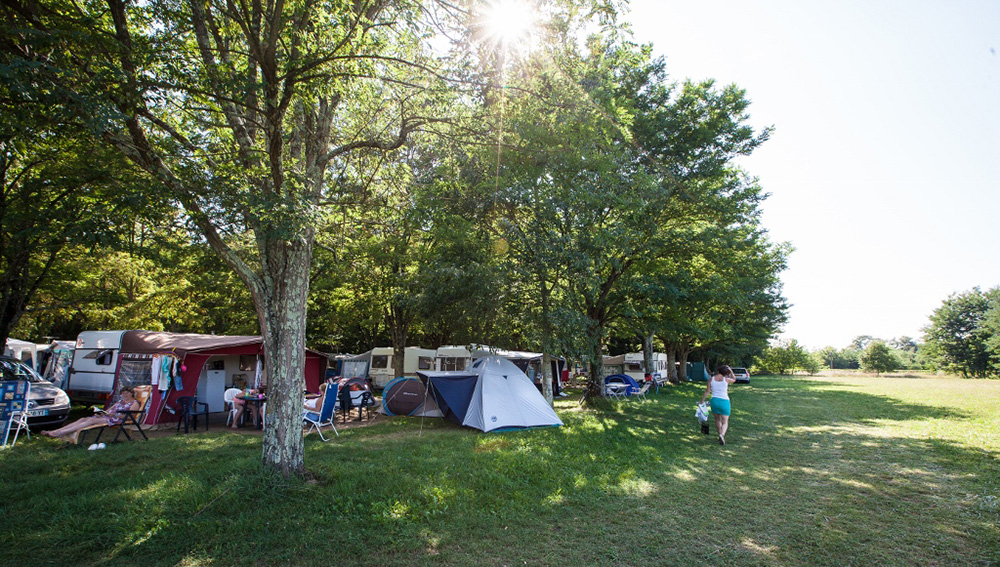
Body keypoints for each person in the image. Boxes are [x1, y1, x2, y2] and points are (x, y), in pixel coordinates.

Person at [41, 386, 140, 439]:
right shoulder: (119, 402)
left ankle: (60, 433)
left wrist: (115, 415)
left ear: (132, 393)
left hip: (116, 419)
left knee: (90, 421)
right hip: (108, 417)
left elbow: (130, 417)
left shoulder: (134, 403)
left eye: (126, 393)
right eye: (122, 393)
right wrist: (101, 412)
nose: (124, 395)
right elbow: (108, 410)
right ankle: (57, 431)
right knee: (83, 419)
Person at [700, 364, 737, 445]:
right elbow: (734, 379)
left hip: (714, 401)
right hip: (724, 401)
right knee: (725, 421)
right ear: (726, 372)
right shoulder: (726, 379)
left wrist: (702, 401)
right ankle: (722, 435)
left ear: (718, 371)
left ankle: (719, 434)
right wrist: (731, 371)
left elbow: (707, 391)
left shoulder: (711, 379)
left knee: (717, 419)